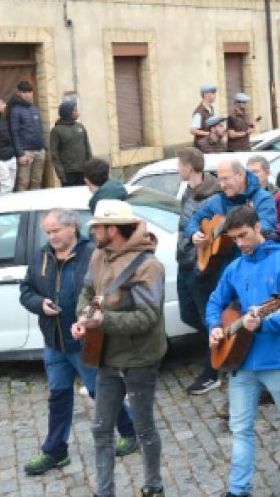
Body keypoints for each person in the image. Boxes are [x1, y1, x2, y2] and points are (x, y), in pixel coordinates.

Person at [204, 205, 280, 497]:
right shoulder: (234, 267)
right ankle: (238, 489)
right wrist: (214, 327)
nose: (240, 243)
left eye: (244, 235)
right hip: (241, 362)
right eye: (234, 239)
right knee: (240, 427)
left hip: (278, 362)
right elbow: (214, 302)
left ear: (257, 228)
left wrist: (263, 325)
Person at [18, 208, 137, 476]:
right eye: (48, 232)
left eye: (55, 231)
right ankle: (55, 451)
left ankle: (130, 430)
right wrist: (39, 303)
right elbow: (26, 290)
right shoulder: (41, 256)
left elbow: (109, 292)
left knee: (99, 391)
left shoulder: (93, 253)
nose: (51, 237)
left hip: (87, 339)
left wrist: (90, 317)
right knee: (58, 396)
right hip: (54, 341)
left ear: (72, 227)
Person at [71, 200, 166, 497]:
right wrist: (84, 317)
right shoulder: (99, 254)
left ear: (112, 229)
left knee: (143, 427)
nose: (92, 231)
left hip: (139, 359)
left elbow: (147, 318)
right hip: (106, 356)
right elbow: (87, 291)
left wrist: (103, 319)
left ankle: (153, 486)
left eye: (96, 226)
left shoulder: (150, 267)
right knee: (100, 428)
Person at [174, 147, 225, 395]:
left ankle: (213, 370)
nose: (177, 169)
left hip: (200, 266)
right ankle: (217, 347)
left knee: (208, 319)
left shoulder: (213, 196)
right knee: (188, 315)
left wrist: (200, 248)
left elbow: (217, 232)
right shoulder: (188, 190)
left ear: (190, 167)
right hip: (183, 261)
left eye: (179, 164)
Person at [185, 158, 279, 267]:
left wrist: (239, 230)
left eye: (226, 179)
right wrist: (193, 233)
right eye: (219, 180)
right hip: (225, 269)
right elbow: (194, 219)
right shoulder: (217, 200)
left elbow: (267, 226)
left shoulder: (262, 198)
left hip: (256, 263)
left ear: (241, 174)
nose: (222, 184)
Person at [9, 81, 46, 191]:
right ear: (19, 93)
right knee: (23, 182)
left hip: (39, 151)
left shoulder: (34, 109)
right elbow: (14, 133)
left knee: (37, 181)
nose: (28, 94)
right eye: (25, 92)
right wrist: (20, 154)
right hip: (26, 152)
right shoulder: (15, 110)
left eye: (30, 92)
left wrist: (43, 146)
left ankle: (36, 206)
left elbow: (40, 128)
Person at [49, 99, 92, 187]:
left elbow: (87, 148)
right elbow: (54, 154)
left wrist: (90, 167)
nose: (77, 112)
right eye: (75, 110)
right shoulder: (57, 130)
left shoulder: (80, 127)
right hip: (68, 173)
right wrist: (61, 173)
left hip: (83, 170)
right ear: (68, 112)